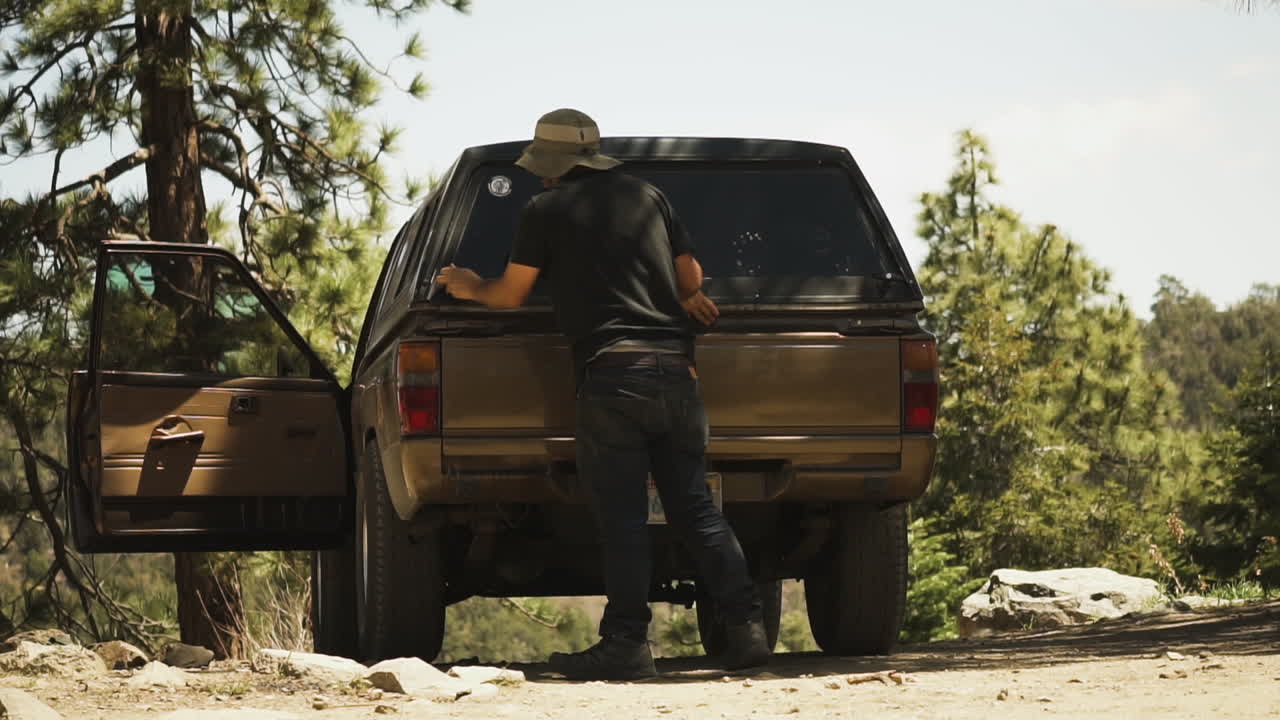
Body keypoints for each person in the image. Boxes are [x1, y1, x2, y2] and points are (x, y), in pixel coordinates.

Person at [436, 109, 770, 681]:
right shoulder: (649, 197)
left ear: (557, 166)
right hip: (678, 374)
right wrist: (680, 296)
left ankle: (626, 645)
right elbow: (692, 277)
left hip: (613, 377)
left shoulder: (544, 210)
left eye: (542, 166)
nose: (538, 177)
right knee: (695, 508)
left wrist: (470, 286)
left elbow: (511, 295)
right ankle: (746, 630)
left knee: (622, 519)